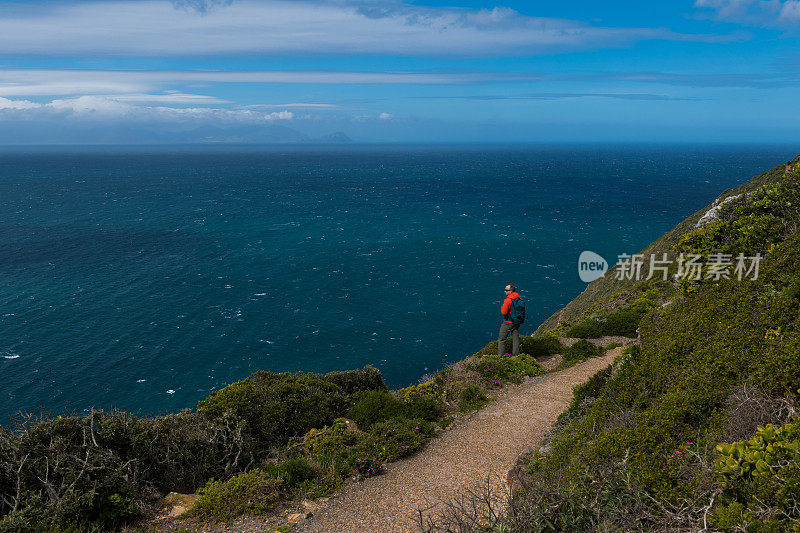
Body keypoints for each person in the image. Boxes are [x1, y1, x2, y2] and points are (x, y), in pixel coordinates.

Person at [498, 284, 522, 357]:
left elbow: (504, 312)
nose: (504, 291)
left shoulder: (508, 300)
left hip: (508, 322)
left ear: (511, 291)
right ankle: (516, 356)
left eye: (506, 290)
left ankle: (501, 357)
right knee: (516, 340)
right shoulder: (519, 298)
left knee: (502, 339)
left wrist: (502, 307)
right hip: (516, 322)